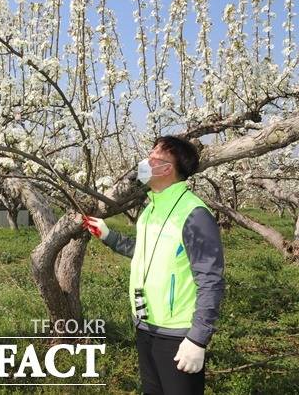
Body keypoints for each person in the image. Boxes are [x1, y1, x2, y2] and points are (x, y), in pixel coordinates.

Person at [84, 136, 225, 395]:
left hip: (178, 333)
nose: (145, 163)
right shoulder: (150, 209)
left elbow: (211, 280)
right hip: (146, 326)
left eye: (153, 159)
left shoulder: (194, 214)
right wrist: (108, 235)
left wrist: (197, 338)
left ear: (168, 168)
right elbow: (146, 252)